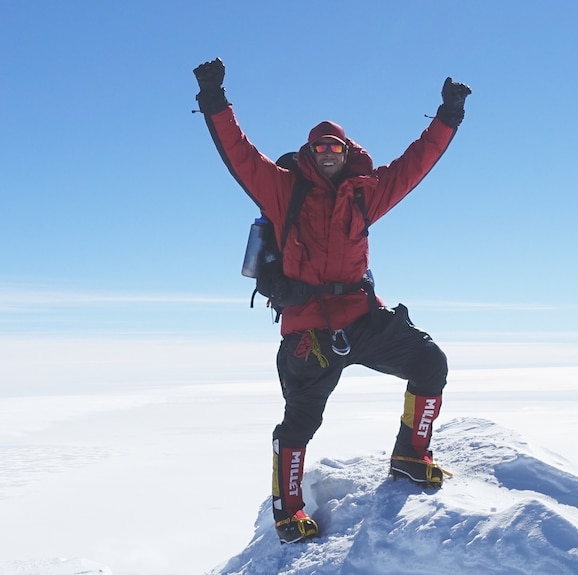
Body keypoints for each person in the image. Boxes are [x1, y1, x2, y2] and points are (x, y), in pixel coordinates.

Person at [193, 57, 470, 544]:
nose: (327, 153)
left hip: (362, 318)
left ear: (346, 152)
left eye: (335, 146)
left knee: (430, 363)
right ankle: (289, 510)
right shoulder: (283, 191)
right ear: (309, 150)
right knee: (300, 421)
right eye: (320, 146)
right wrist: (214, 99)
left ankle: (410, 455)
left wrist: (448, 116)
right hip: (307, 331)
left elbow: (415, 164)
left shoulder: (367, 193)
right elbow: (239, 154)